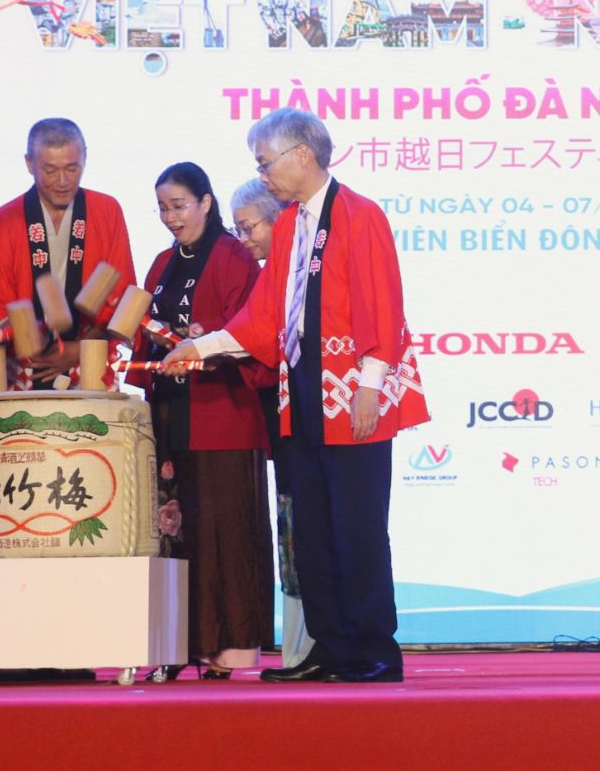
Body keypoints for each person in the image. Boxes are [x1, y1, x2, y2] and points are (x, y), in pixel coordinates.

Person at [166, 109, 429, 684]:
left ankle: (374, 651)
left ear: (302, 157)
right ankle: (332, 648)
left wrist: (369, 385)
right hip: (300, 386)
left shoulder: (361, 216)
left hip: (352, 388)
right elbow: (264, 317)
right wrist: (202, 347)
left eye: (266, 163)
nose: (262, 175)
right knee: (310, 525)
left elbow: (382, 305)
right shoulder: (288, 226)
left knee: (356, 525)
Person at [129, 163, 271, 680]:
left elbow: (251, 330)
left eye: (180, 205)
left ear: (206, 203)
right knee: (174, 531)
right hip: (172, 414)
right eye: (164, 207)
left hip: (222, 414)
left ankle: (228, 649)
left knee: (223, 531)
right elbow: (142, 333)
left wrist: (202, 339)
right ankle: (175, 647)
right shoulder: (162, 262)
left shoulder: (236, 257)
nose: (171, 217)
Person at [0, 118, 135, 386]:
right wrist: (29, 338)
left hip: (90, 360)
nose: (62, 181)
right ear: (29, 163)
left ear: (85, 158)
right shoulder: (2, 221)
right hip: (25, 365)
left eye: (72, 168)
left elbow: (121, 295)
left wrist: (79, 348)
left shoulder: (107, 211)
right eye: (50, 170)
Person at [229, 177, 315, 670]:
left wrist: (213, 345)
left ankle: (311, 646)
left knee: (303, 527)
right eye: (236, 229)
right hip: (282, 426)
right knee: (291, 526)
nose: (244, 240)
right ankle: (299, 648)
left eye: (248, 227)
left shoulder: (296, 268)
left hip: (305, 421)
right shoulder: (271, 271)